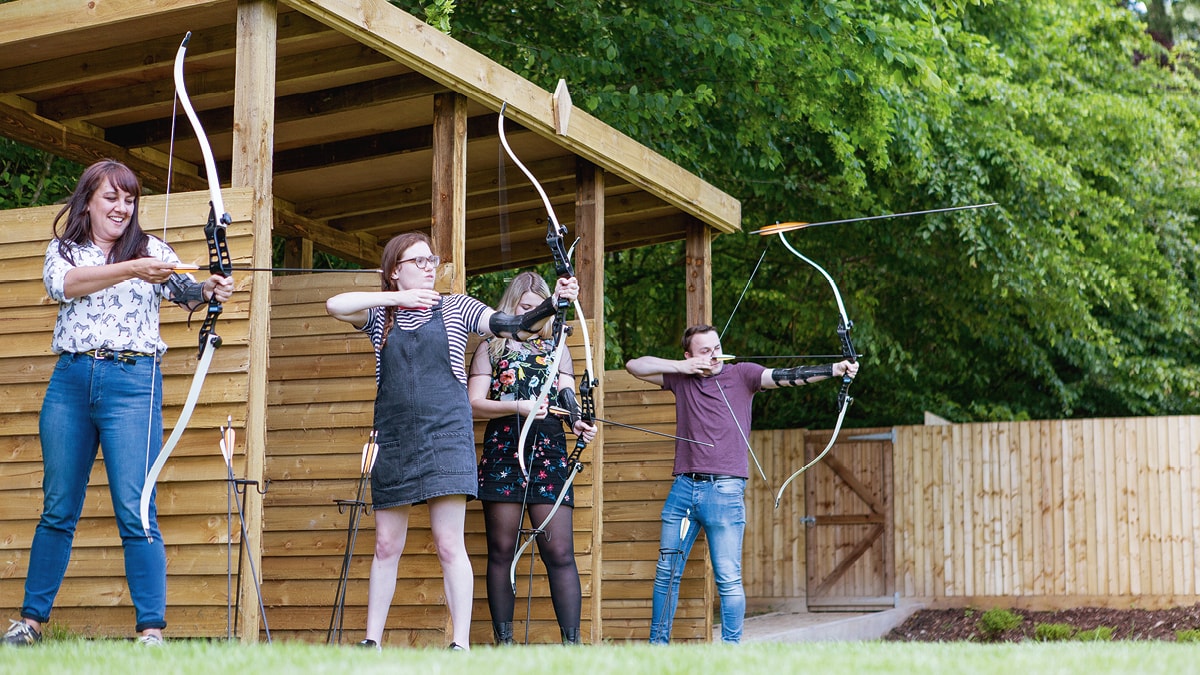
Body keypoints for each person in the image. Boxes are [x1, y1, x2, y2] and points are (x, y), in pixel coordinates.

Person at [2, 160, 234, 648]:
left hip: (133, 383)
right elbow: (64, 286)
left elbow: (187, 291)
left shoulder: (154, 251)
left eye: (129, 200)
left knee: (137, 506)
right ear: (89, 199)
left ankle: (151, 632)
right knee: (58, 506)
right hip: (71, 381)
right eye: (112, 198)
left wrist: (211, 289)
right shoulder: (65, 250)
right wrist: (133, 268)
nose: (122, 208)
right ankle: (30, 623)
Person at [325, 233, 579, 651]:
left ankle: (459, 646)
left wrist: (556, 303)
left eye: (432, 260)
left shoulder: (456, 306)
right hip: (394, 436)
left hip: (446, 437)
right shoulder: (379, 316)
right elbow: (335, 305)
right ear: (395, 271)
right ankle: (372, 642)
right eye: (419, 261)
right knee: (387, 543)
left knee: (448, 544)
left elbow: (510, 324)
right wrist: (394, 300)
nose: (430, 266)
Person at [625, 324, 858, 645]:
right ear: (689, 355)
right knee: (667, 574)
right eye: (705, 351)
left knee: (728, 578)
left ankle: (731, 653)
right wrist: (681, 367)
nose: (714, 355)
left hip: (724, 492)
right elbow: (634, 366)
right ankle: (657, 648)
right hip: (682, 491)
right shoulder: (680, 378)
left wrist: (834, 369)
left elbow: (785, 376)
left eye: (717, 347)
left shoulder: (742, 375)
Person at [467, 271, 597, 646]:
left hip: (549, 453)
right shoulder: (491, 344)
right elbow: (473, 403)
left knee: (559, 551)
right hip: (504, 452)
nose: (535, 314)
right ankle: (505, 646)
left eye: (540, 308)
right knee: (502, 551)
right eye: (527, 307)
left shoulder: (558, 347)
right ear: (514, 306)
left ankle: (572, 649)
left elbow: (569, 396)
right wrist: (518, 406)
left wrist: (578, 423)